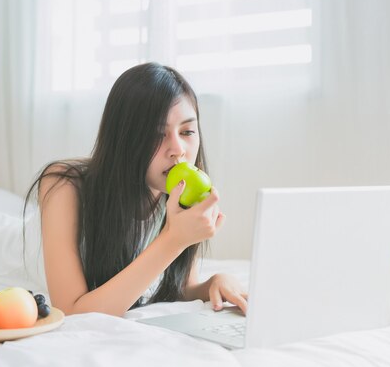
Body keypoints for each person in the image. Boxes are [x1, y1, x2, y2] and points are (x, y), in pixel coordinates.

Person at [25, 62, 247, 317]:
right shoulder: (62, 184)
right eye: (156, 134)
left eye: (187, 131)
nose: (178, 149)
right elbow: (73, 312)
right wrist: (173, 240)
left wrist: (214, 283)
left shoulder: (175, 197)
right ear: (124, 139)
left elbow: (181, 287)